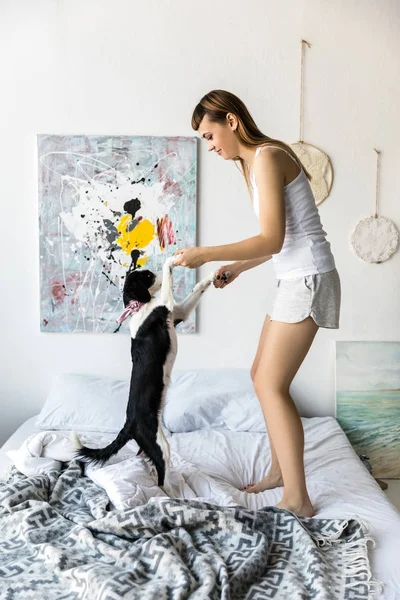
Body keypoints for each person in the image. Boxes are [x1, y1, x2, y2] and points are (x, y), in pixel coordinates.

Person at [173, 90, 341, 517]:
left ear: (231, 121)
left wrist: (205, 253)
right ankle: (279, 472)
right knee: (259, 376)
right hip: (293, 277)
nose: (210, 147)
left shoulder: (267, 156)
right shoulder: (252, 164)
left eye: (210, 136)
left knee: (271, 384)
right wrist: (240, 267)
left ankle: (298, 499)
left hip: (309, 278)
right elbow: (276, 241)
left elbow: (273, 238)